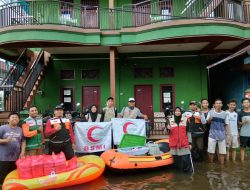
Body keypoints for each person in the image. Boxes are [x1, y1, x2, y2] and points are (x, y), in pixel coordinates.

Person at [0, 112, 25, 185]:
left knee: (13, 176)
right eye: (13, 117)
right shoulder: (2, 128)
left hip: (15, 157)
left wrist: (22, 152)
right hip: (3, 158)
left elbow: (23, 141)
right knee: (2, 177)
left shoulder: (20, 129)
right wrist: (5, 140)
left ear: (18, 120)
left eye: (16, 117)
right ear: (8, 120)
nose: (15, 118)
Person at [167, 107, 193, 173]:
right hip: (174, 143)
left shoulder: (185, 120)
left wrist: (190, 143)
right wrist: (167, 128)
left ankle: (187, 174)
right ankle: (178, 175)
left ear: (181, 112)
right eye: (176, 111)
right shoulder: (170, 120)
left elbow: (188, 132)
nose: (177, 112)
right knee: (176, 162)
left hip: (184, 142)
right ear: (174, 112)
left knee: (185, 160)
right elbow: (167, 132)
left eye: (179, 111)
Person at [207, 99, 228, 164]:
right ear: (214, 105)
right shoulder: (210, 112)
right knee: (210, 151)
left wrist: (227, 135)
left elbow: (226, 125)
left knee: (222, 152)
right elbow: (207, 122)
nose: (218, 104)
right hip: (212, 135)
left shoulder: (225, 113)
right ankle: (211, 166)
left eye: (220, 103)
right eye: (217, 103)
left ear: (222, 105)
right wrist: (209, 120)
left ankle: (222, 166)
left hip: (222, 135)